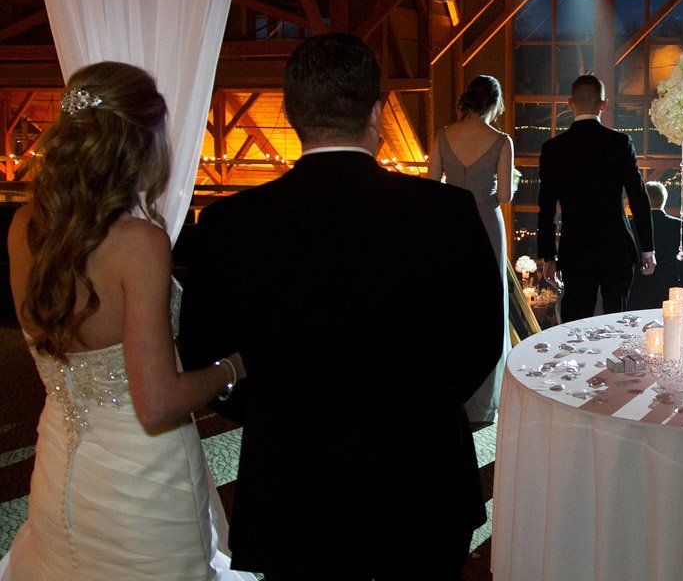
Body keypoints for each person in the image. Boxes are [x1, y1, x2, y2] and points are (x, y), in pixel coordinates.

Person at [178, 34, 503, 581]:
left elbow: (203, 355)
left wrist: (279, 409)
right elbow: (480, 341)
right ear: (377, 112)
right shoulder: (445, 212)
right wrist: (419, 404)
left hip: (292, 485)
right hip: (420, 477)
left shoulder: (231, 224)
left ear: (290, 113)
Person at [0, 62, 251, 581]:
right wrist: (234, 367)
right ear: (143, 142)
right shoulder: (139, 244)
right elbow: (156, 401)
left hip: (59, 461)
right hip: (142, 480)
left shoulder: (25, 226)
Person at [428, 74, 514, 424]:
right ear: (493, 103)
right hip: (487, 223)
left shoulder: (444, 134)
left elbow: (432, 185)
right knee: (491, 305)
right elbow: (505, 195)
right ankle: (483, 403)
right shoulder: (501, 140)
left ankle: (452, 391)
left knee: (454, 305)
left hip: (451, 225)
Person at [537, 75, 655, 321]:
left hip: (575, 249)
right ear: (604, 104)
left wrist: (548, 255)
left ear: (570, 103)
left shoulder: (553, 148)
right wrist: (648, 247)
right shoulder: (620, 143)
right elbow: (638, 197)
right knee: (616, 321)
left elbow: (546, 207)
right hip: (616, 247)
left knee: (574, 323)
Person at [627, 181, 683, 311]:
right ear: (663, 200)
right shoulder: (677, 226)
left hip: (637, 292)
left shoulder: (631, 225)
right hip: (667, 293)